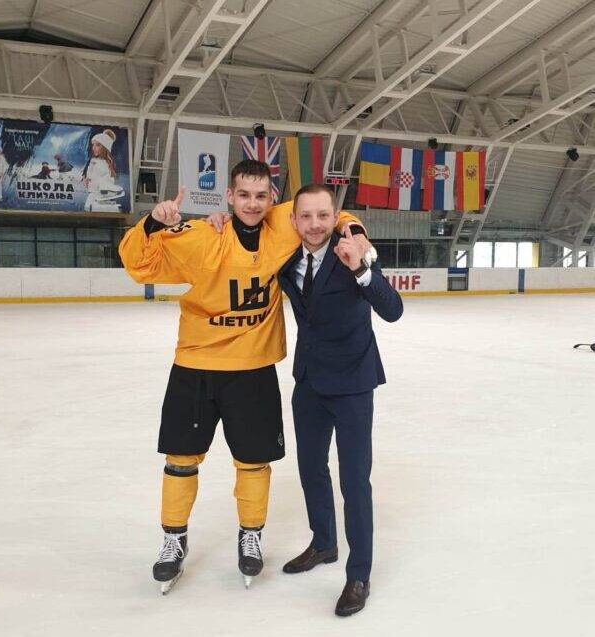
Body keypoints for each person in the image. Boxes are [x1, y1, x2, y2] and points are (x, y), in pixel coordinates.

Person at [118, 160, 368, 593]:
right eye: (244, 195)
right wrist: (153, 223)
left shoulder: (284, 225)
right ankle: (174, 539)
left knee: (254, 460)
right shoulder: (200, 236)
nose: (253, 204)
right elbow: (139, 264)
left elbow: (330, 212)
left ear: (272, 199)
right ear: (229, 197)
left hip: (253, 369)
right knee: (180, 459)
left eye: (261, 196)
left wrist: (355, 229)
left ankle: (250, 535)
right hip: (195, 365)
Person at [278, 184, 403, 617]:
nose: (314, 224)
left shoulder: (354, 251)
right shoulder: (287, 260)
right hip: (309, 382)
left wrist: (362, 270)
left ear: (336, 218)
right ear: (294, 220)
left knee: (354, 481)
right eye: (306, 216)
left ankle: (359, 574)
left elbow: (393, 310)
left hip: (352, 383)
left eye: (323, 216)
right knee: (310, 468)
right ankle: (324, 543)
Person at [84, 129, 117, 211]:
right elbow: (90, 172)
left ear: (105, 147)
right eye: (93, 145)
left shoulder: (107, 164)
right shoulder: (93, 161)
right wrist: (88, 178)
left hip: (101, 197)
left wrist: (93, 183)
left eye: (98, 145)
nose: (94, 148)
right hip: (93, 195)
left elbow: (109, 182)